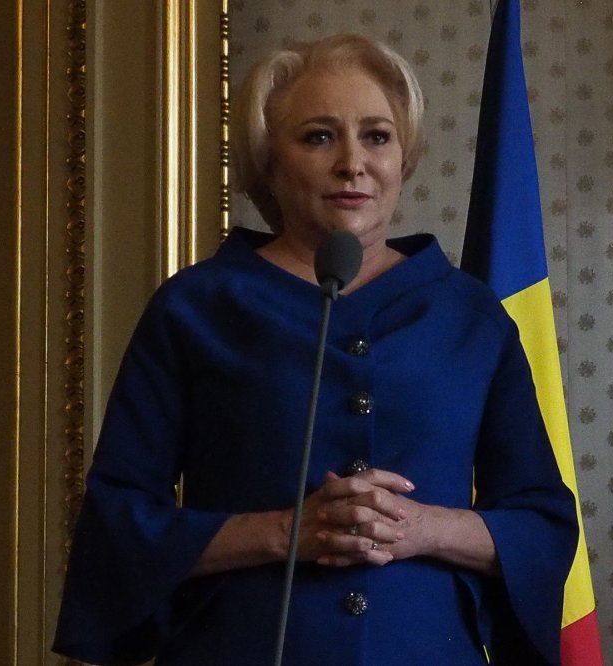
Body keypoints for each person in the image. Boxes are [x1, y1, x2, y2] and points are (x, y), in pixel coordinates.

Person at [53, 33, 578, 665]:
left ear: (404, 157)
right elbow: (119, 521)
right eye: (319, 137)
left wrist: (419, 528)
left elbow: (541, 525)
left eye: (377, 136)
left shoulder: (471, 315)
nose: (352, 163)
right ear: (268, 162)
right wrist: (282, 532)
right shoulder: (195, 308)